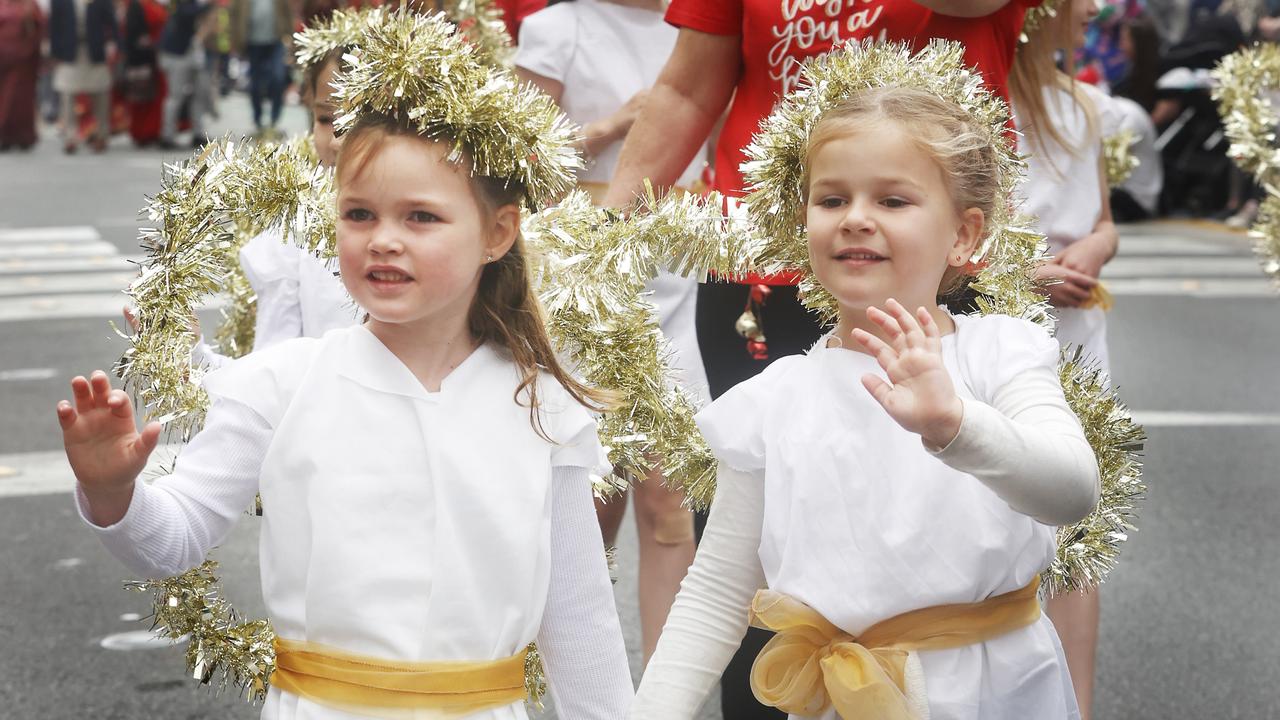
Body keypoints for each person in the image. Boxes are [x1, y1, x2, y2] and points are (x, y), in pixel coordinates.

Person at [59, 20, 634, 719]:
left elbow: (579, 626)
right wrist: (112, 492)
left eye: (421, 217)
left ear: (498, 233)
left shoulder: (542, 406)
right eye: (359, 214)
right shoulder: (282, 382)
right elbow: (173, 538)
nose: (383, 240)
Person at [600, 2, 1045, 716]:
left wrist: (957, 426)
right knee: (760, 537)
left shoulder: (1002, 350)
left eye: (885, 200)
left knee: (963, 515)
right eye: (835, 198)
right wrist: (604, 238)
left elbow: (1066, 489)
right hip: (759, 281)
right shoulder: (775, 393)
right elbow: (688, 86)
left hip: (936, 269)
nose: (858, 213)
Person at [515, 0, 711, 665]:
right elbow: (516, 161)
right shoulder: (557, 28)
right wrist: (616, 125)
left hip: (679, 269)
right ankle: (586, 683)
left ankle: (665, 696)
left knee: (668, 496)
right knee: (591, 495)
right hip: (581, 272)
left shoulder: (703, 24)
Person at [1011, 2, 1120, 717]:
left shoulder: (1084, 106)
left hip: (1078, 335)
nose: (1092, 10)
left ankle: (1075, 706)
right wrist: (1024, 272)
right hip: (1000, 329)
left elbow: (1106, 219)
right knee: (1005, 523)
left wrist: (1092, 248)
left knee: (1079, 535)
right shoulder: (971, 99)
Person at [123, 46, 361, 365]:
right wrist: (194, 357)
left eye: (359, 118)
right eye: (325, 118)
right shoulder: (295, 237)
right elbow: (270, 378)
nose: (336, 140)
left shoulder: (439, 233)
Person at [48, 0, 117, 153]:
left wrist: (114, 44)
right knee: (67, 95)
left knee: (101, 94)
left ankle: (101, 134)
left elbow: (111, 22)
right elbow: (54, 26)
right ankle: (70, 137)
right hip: (69, 53)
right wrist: (54, 54)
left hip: (95, 52)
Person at [230, 0, 292, 139]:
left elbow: (287, 12)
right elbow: (234, 15)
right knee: (256, 85)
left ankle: (274, 119)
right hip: (253, 44)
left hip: (275, 42)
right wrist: (236, 40)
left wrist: (290, 36)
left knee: (278, 78)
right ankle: (258, 120)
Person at [157, 0, 209, 149]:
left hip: (193, 53)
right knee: (175, 96)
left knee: (198, 95)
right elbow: (187, 12)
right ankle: (167, 135)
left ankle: (198, 133)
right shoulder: (182, 6)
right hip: (177, 55)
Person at [0, 0, 45, 150]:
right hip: (3, 60)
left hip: (23, 60)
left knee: (19, 99)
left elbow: (40, 28)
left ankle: (23, 136)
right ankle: (4, 136)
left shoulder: (30, 5)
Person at [121, 0, 166, 146]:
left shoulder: (156, 5)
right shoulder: (137, 5)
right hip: (143, 58)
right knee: (142, 98)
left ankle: (152, 131)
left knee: (155, 97)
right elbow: (132, 33)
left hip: (156, 56)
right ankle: (141, 132)